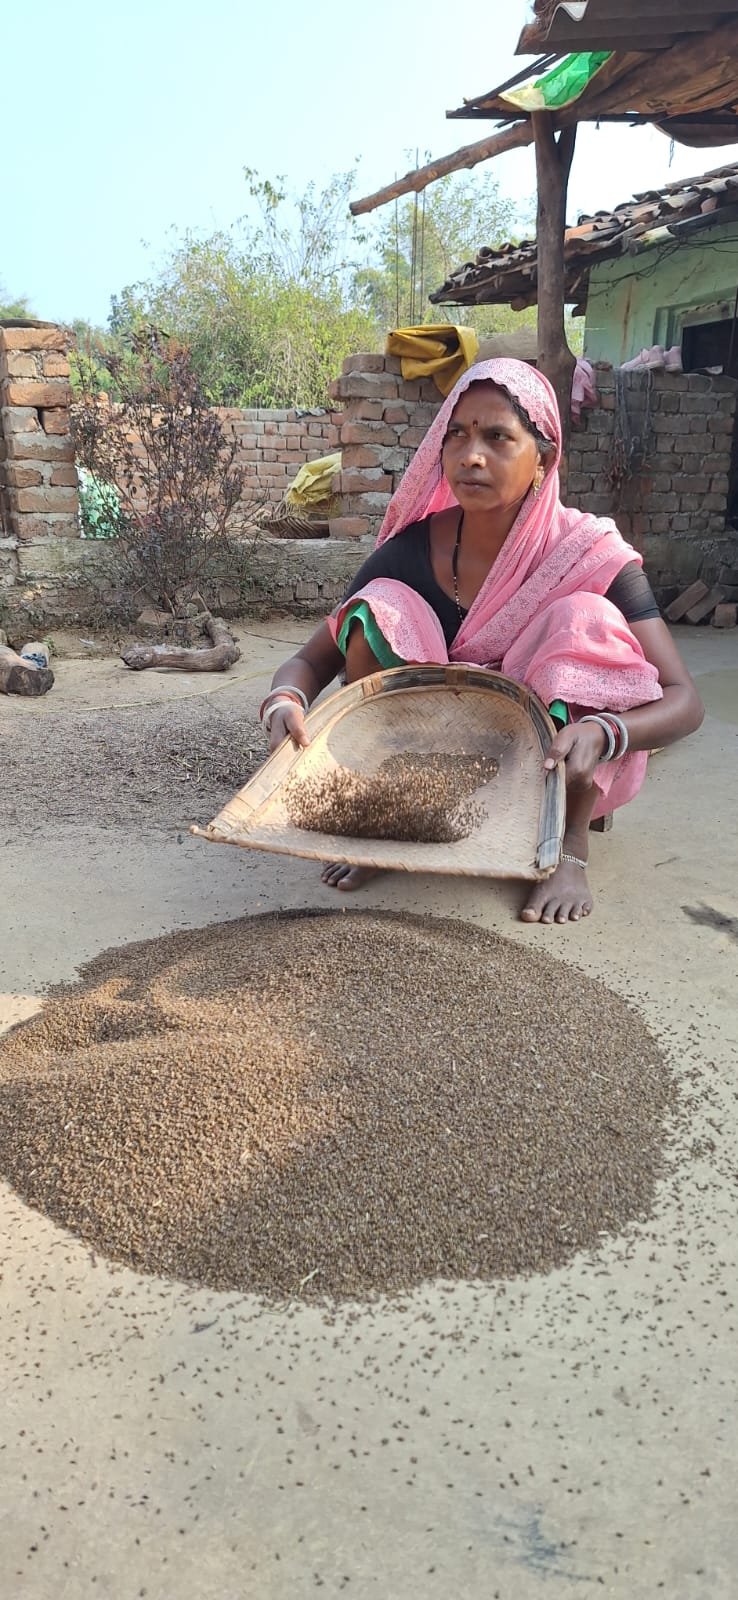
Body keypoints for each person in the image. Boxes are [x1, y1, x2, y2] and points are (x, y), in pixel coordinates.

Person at [259, 358, 703, 924]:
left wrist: (604, 730)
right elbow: (310, 659)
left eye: (498, 437)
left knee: (583, 619)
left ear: (543, 458)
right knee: (380, 608)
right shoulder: (410, 550)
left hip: (555, 755)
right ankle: (393, 814)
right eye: (458, 436)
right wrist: (284, 701)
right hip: (448, 754)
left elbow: (684, 699)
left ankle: (570, 842)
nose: (471, 456)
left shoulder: (589, 553)